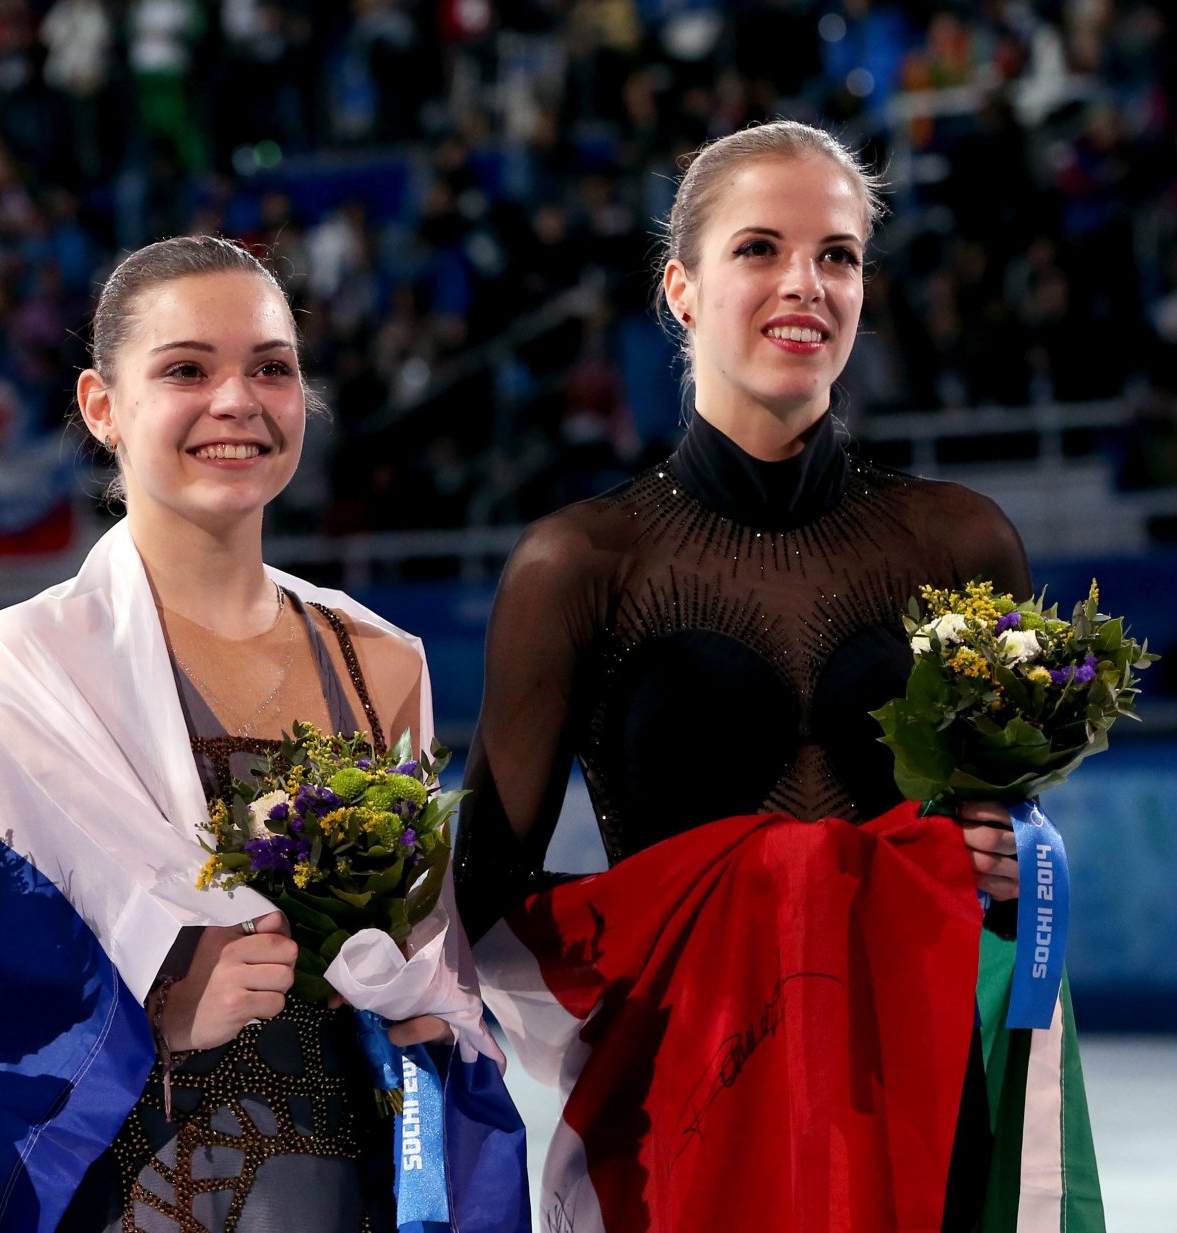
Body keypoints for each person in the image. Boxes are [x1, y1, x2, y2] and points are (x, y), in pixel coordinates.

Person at [455, 121, 1103, 1231]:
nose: (805, 283)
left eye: (838, 255)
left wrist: (997, 848)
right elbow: (487, 901)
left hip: (923, 1102)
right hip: (689, 1116)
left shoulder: (962, 544)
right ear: (682, 289)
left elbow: (1003, 841)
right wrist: (738, 907)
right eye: (760, 248)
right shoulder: (581, 565)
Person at [0, 236, 529, 1233]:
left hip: (354, 1197)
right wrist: (152, 1013)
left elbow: (431, 974)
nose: (237, 401)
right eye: (187, 369)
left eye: (271, 368)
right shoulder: (13, 675)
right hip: (126, 1197)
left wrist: (415, 1009)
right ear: (102, 406)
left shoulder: (382, 663)